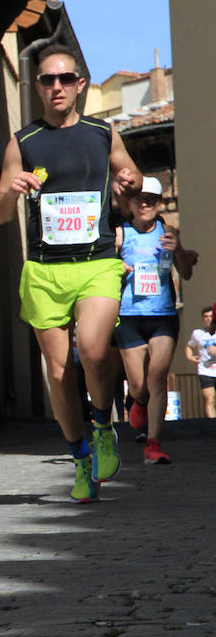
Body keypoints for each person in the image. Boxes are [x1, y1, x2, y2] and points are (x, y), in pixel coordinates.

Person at [0, 43, 141, 503]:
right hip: (45, 269)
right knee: (58, 374)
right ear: (36, 86)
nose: (56, 86)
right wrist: (11, 191)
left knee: (94, 352)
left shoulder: (103, 132)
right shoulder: (23, 141)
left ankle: (101, 424)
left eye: (65, 79)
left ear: (80, 85)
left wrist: (129, 181)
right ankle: (79, 461)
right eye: (47, 80)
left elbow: (131, 174)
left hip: (96, 261)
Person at [115, 177, 192, 464]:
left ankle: (154, 445)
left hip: (163, 315)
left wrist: (178, 251)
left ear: (159, 203)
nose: (145, 203)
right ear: (130, 205)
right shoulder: (121, 233)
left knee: (157, 376)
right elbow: (105, 268)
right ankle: (140, 401)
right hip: (129, 316)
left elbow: (185, 273)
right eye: (140, 199)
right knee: (139, 386)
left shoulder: (167, 230)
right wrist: (116, 266)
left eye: (152, 199)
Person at [185, 304, 216, 418]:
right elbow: (189, 346)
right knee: (210, 398)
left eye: (211, 316)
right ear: (203, 318)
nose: (209, 318)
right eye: (206, 316)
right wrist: (190, 357)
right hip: (205, 371)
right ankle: (213, 425)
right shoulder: (197, 333)